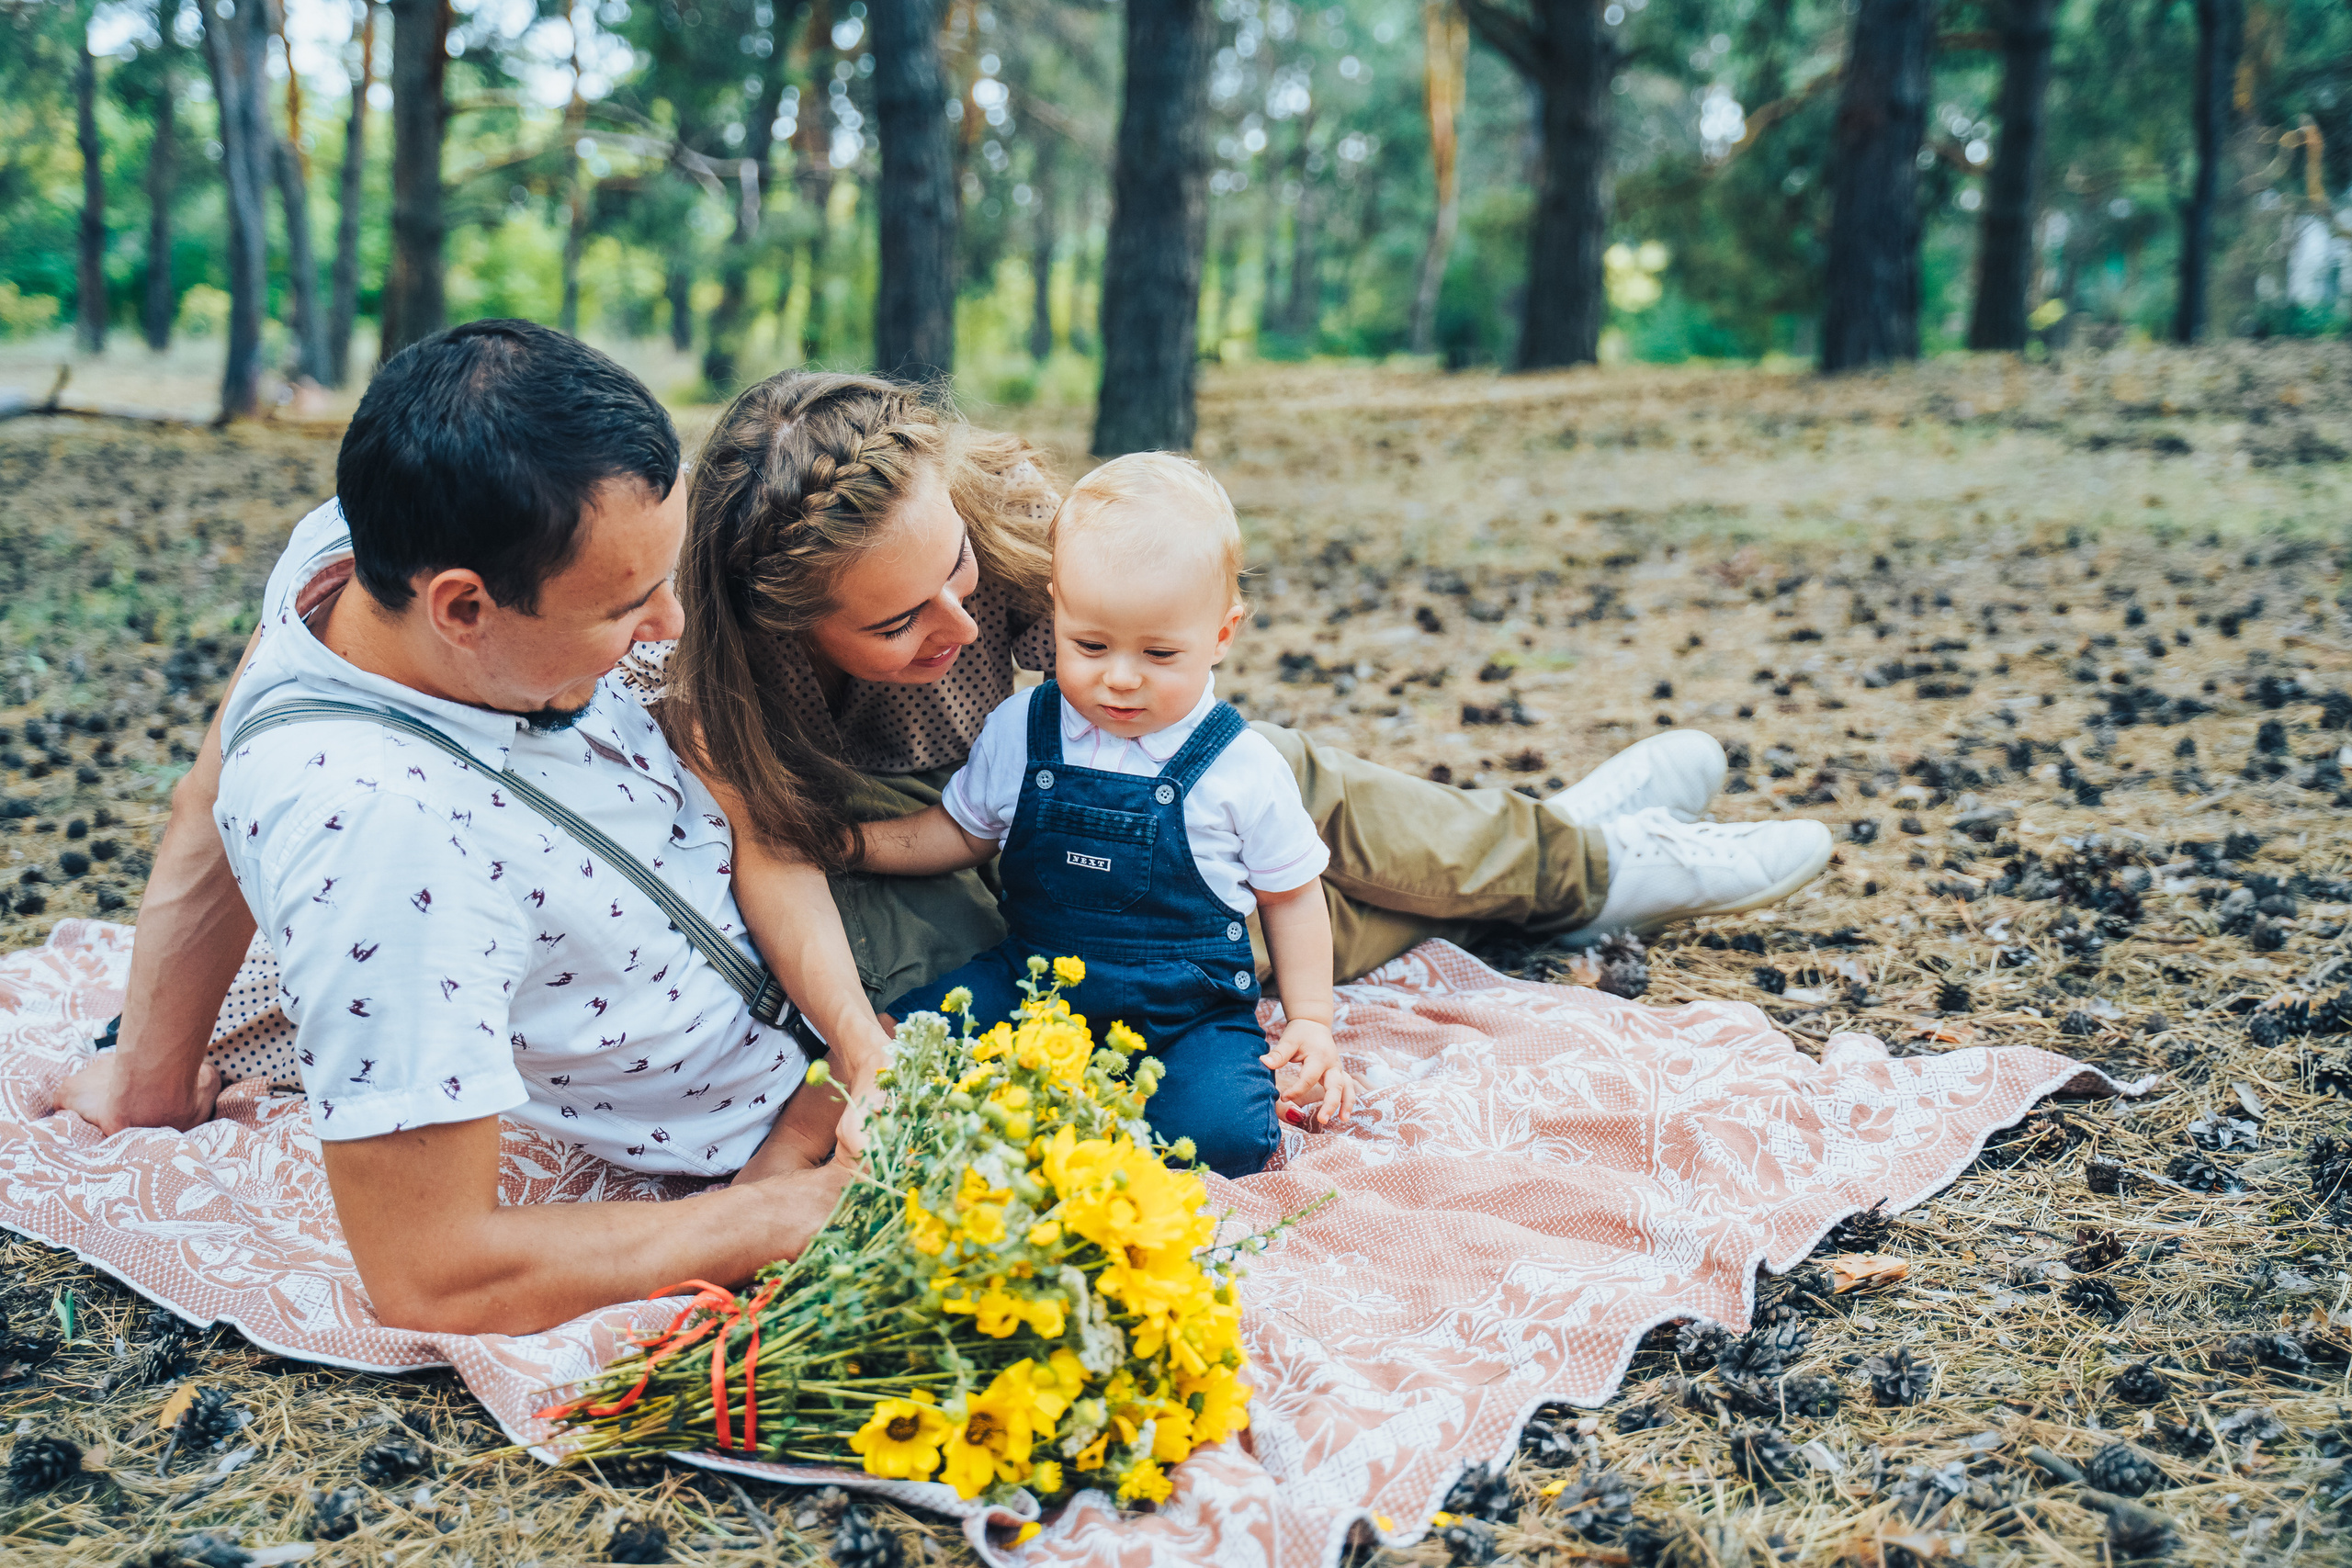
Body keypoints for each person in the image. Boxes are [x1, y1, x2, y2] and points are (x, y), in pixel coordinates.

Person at [58, 321, 883, 1337]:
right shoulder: (380, 839)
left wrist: (147, 1080)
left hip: (826, 937)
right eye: (628, 602)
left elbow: (206, 799)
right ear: (460, 608)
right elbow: (433, 1273)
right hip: (754, 1108)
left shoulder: (352, 551)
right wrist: (773, 1214)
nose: (672, 625)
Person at [659, 370, 1833, 1039]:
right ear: (785, 622)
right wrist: (866, 1058)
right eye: (896, 621)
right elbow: (779, 864)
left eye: (955, 569)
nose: (959, 628)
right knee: (1156, 950)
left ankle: (1578, 860)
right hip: (926, 866)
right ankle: (1538, 873)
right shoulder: (724, 687)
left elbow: (1138, 667)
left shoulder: (991, 516)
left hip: (1037, 781)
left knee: (1256, 774)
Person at [855, 453, 1354, 1178]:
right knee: (907, 1044)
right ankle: (1044, 1101)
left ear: (1221, 633)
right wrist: (854, 845)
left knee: (1223, 1135)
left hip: (1187, 1012)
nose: (1120, 677)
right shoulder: (1025, 727)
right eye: (1089, 645)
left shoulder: (1240, 766)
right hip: (1034, 985)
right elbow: (962, 832)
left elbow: (1291, 892)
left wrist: (1310, 1017)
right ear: (1056, 607)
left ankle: (1108, 1114)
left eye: (1159, 652)